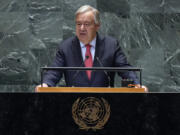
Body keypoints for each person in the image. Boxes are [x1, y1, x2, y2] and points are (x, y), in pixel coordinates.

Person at [35, 5, 147, 91]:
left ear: (97, 26)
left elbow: (125, 69)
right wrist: (45, 85)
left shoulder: (111, 45)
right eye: (78, 24)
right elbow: (54, 71)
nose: (82, 28)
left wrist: (136, 83)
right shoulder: (66, 47)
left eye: (86, 24)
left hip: (106, 104)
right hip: (73, 104)